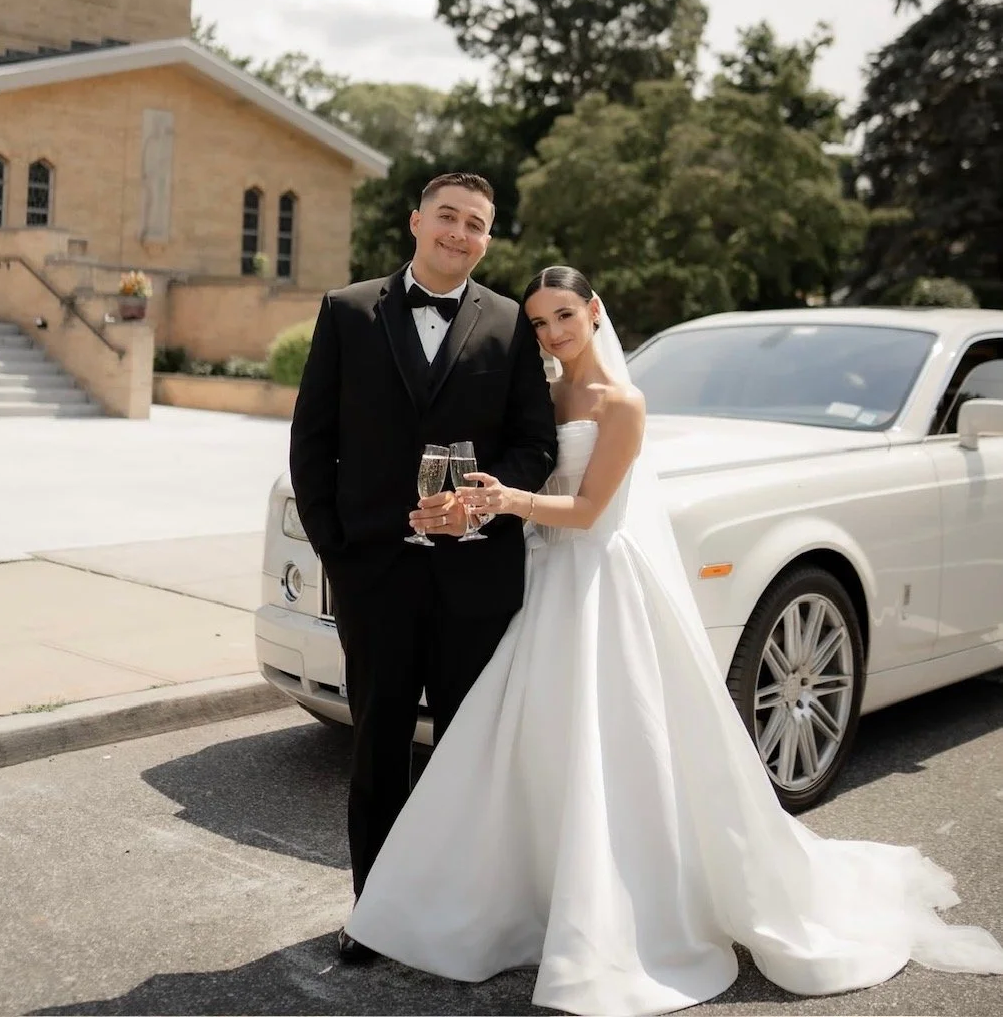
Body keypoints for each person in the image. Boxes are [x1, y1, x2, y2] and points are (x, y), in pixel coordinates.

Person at [346, 266, 1003, 1014]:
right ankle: (523, 896)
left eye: (564, 315)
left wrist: (507, 500)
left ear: (594, 311)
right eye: (537, 323)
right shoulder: (540, 393)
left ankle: (617, 914)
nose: (552, 333)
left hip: (601, 581)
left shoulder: (623, 403)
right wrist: (470, 506)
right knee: (530, 745)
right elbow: (518, 466)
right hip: (543, 581)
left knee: (613, 746)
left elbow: (592, 511)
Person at [289, 173, 557, 962]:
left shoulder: (510, 323)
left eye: (476, 224)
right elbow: (313, 441)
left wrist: (480, 503)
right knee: (377, 745)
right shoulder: (347, 310)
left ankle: (462, 909)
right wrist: (339, 549)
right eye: (448, 216)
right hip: (375, 575)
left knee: (468, 747)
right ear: (416, 222)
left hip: (476, 580)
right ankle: (375, 913)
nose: (460, 233)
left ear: (487, 240)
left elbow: (534, 445)